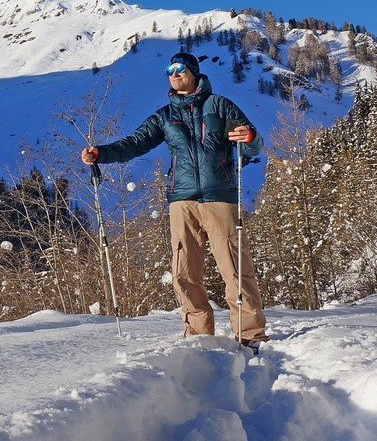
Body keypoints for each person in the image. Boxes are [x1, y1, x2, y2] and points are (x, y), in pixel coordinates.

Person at [80, 52, 269, 351]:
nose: (174, 73)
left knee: (235, 269)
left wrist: (249, 138)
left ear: (193, 71)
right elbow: (134, 143)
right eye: (169, 69)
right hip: (181, 201)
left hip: (220, 197)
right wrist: (101, 154)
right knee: (184, 272)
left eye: (179, 68)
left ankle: (250, 336)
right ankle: (198, 336)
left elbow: (252, 145)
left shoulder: (219, 106)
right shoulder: (165, 116)